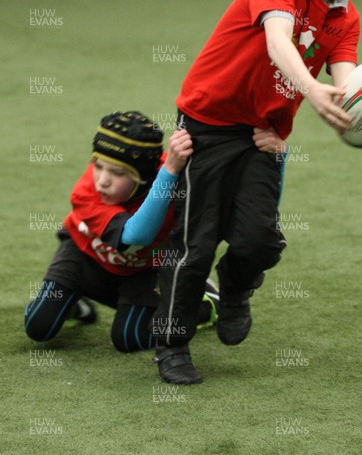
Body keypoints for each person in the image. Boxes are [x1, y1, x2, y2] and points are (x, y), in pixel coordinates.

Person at [151, 0, 362, 384]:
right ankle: (171, 346)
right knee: (195, 244)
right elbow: (279, 42)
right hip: (207, 126)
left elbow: (345, 88)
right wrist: (312, 90)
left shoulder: (345, 15)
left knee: (260, 241)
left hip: (262, 135)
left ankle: (235, 288)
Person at [24, 111, 219, 352]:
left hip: (145, 269)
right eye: (98, 165)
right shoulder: (87, 191)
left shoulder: (176, 173)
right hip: (85, 254)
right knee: (38, 326)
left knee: (129, 339)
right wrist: (169, 172)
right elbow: (135, 237)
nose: (102, 181)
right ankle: (74, 304)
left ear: (145, 178)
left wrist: (276, 149)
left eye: (118, 173)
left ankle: (203, 304)